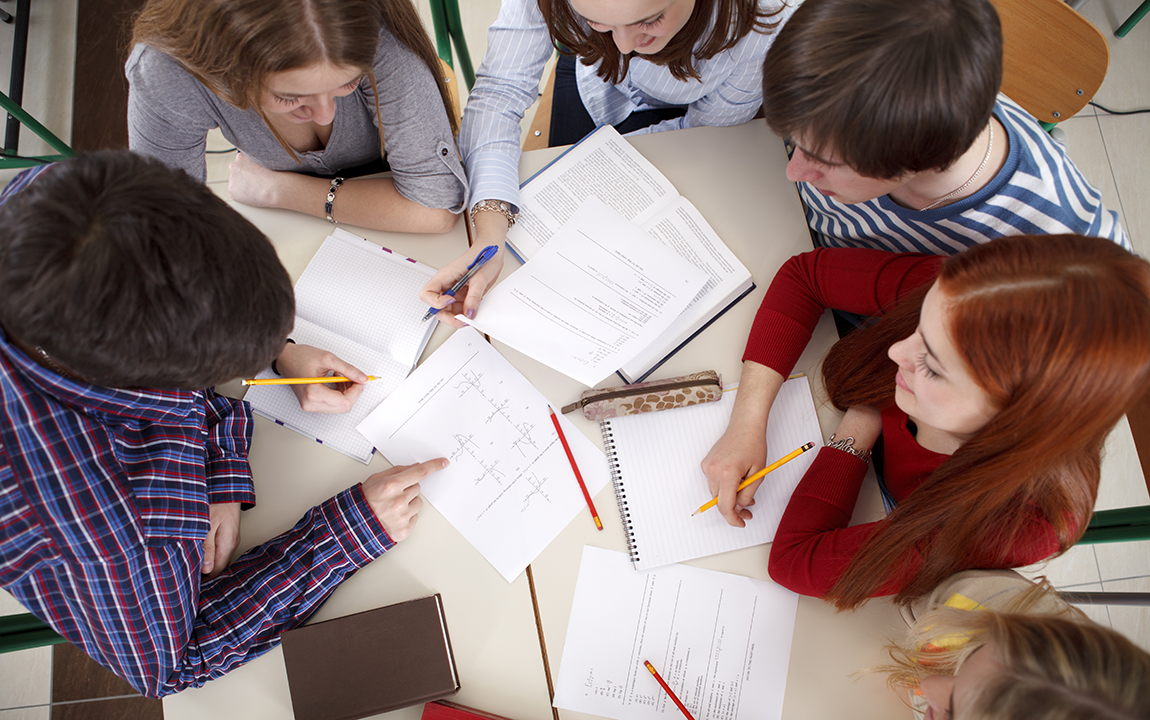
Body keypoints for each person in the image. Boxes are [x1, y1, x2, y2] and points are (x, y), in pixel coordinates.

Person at [0, 152, 447, 697]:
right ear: (138, 376)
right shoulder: (87, 519)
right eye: (225, 370)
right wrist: (349, 532)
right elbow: (177, 663)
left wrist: (277, 354)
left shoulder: (63, 205)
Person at [700, 235, 1150, 609]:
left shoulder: (1019, 524)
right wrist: (747, 422)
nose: (896, 350)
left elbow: (796, 564)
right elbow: (807, 276)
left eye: (932, 366)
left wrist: (859, 424)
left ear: (1008, 424)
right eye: (917, 326)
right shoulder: (971, 303)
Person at [421, 0, 795, 324]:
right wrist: (490, 234)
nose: (625, 46)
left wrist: (592, 165)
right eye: (598, 22)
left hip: (697, 120)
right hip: (595, 81)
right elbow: (498, 94)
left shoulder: (766, 22)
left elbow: (706, 132)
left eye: (649, 20)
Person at [760, 0, 1129, 256]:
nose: (795, 171)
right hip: (788, 229)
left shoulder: (1053, 230)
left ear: (924, 159)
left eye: (823, 160)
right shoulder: (851, 97)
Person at [127, 0, 466, 233]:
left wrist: (281, 191)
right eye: (289, 98)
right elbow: (167, 226)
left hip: (353, 203)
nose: (324, 113)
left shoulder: (371, 28)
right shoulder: (167, 70)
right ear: (224, 71)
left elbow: (434, 209)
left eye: (348, 82)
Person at [885, 570, 1150, 720]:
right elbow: (902, 596)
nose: (930, 684)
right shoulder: (990, 611)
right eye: (974, 653)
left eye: (952, 713)